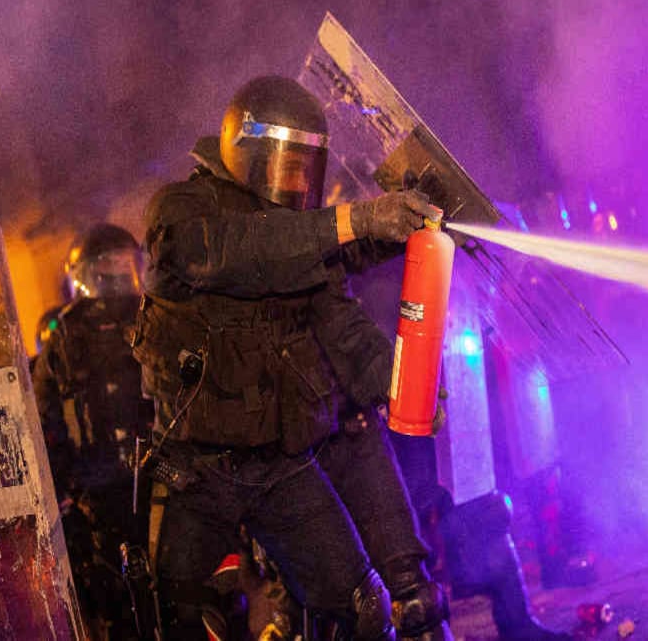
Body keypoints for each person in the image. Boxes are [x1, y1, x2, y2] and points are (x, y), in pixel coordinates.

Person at [132, 75, 453, 641]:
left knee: (363, 610)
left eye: (306, 166)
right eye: (283, 163)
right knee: (180, 621)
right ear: (244, 151)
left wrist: (404, 389)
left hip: (278, 465)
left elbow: (335, 302)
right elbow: (245, 251)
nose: (295, 181)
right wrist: (358, 219)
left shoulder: (297, 236)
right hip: (193, 471)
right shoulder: (182, 213)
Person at [31, 223, 154, 640]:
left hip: (161, 478)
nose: (119, 273)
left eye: (126, 263)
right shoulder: (66, 333)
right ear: (88, 273)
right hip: (99, 492)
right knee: (119, 604)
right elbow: (43, 413)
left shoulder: (153, 314)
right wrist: (65, 484)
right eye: (109, 265)